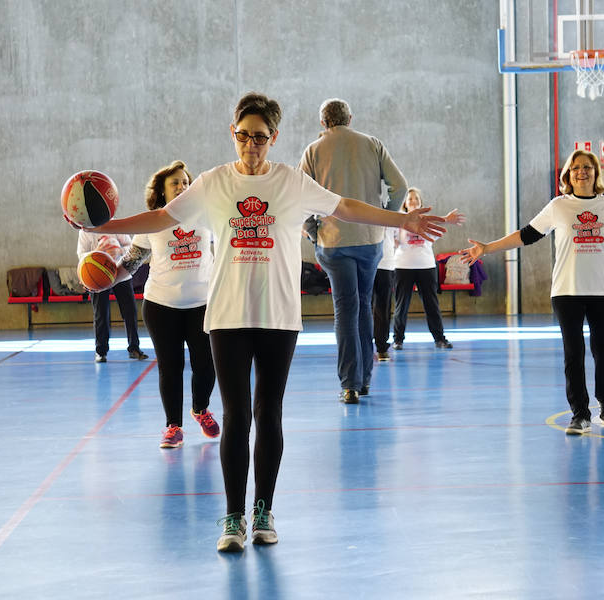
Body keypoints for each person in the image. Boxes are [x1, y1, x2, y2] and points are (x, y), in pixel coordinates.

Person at [86, 92, 447, 552]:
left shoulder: (292, 182)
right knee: (236, 415)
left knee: (268, 412)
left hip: (278, 314)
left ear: (273, 138)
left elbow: (347, 208)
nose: (251, 146)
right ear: (232, 135)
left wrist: (403, 220)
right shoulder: (215, 182)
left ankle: (264, 511)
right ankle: (233, 517)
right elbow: (160, 217)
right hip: (227, 315)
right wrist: (103, 228)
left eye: (260, 138)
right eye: (243, 136)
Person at [459, 150, 604, 435]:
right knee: (573, 353)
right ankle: (580, 414)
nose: (581, 172)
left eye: (587, 167)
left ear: (597, 173)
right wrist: (487, 247)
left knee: (602, 352)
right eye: (575, 168)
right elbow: (526, 234)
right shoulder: (559, 206)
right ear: (567, 175)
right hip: (566, 290)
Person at [298, 98, 408, 404]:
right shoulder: (372, 144)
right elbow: (400, 186)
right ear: (350, 118)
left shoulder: (313, 151)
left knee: (345, 310)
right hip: (370, 239)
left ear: (323, 123)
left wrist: (312, 230)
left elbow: (298, 196)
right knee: (363, 304)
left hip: (333, 242)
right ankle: (365, 380)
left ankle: (349, 384)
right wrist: (385, 218)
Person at [116, 161, 220, 450]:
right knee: (170, 368)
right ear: (161, 190)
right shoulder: (153, 221)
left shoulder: (207, 216)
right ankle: (173, 426)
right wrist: (105, 279)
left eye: (186, 182)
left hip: (202, 304)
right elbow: (131, 262)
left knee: (206, 365)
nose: (182, 187)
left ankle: (201, 409)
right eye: (175, 182)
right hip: (162, 306)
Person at [392, 188, 463, 350]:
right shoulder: (398, 220)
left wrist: (447, 220)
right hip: (403, 266)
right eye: (409, 199)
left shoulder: (428, 221)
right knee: (401, 305)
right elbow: (395, 242)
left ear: (420, 202)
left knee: (432, 304)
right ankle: (398, 340)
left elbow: (437, 230)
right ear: (405, 203)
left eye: (416, 198)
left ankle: (440, 339)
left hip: (426, 266)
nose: (413, 201)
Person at [77, 231, 148, 363]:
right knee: (101, 313)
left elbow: (130, 246)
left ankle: (134, 348)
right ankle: (101, 351)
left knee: (130, 311)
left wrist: (118, 250)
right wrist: (98, 252)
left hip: (120, 272)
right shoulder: (85, 231)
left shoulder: (115, 225)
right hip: (97, 276)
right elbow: (81, 254)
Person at [372, 227, 396, 361]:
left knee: (383, 307)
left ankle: (381, 347)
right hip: (364, 263)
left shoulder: (391, 208)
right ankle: (362, 346)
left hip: (386, 263)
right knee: (362, 307)